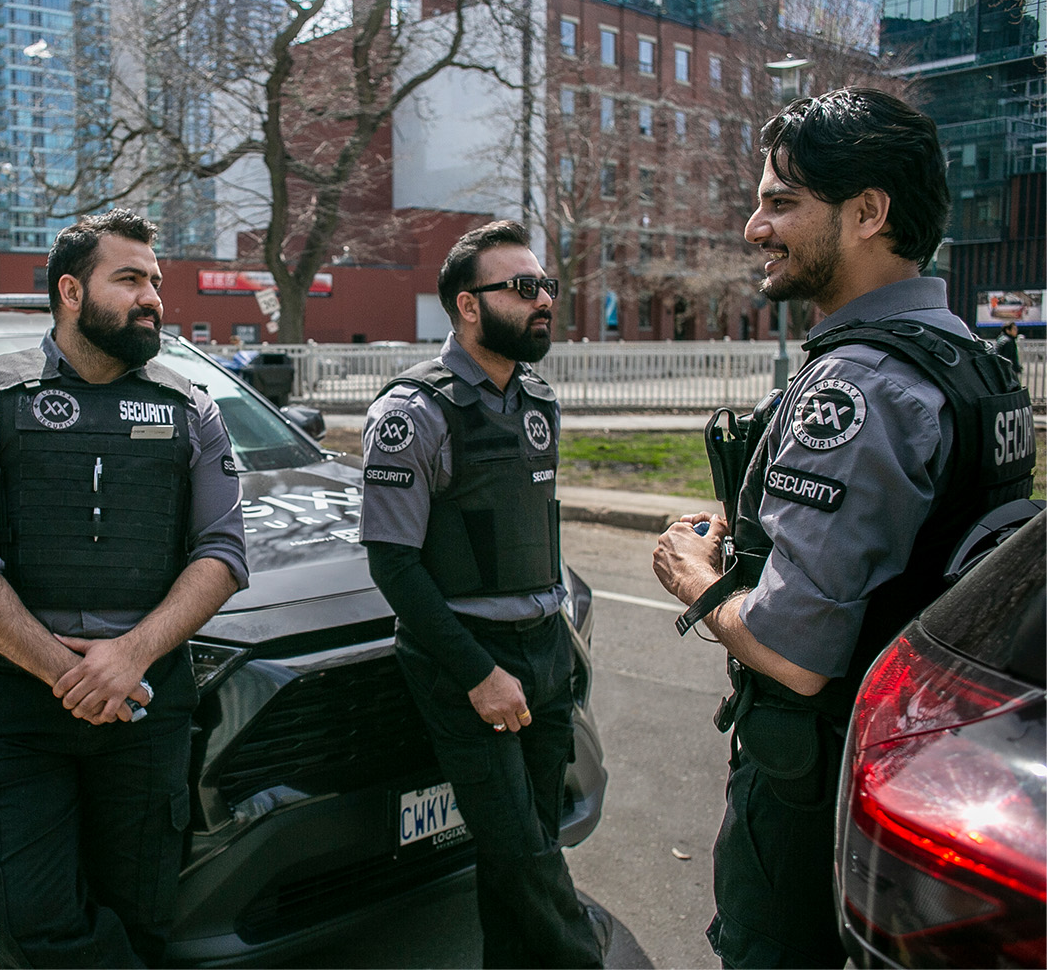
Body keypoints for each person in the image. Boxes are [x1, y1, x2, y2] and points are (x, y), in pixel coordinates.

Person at [652, 88, 1035, 968]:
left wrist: (699, 583)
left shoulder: (854, 389)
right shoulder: (971, 360)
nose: (754, 227)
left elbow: (797, 651)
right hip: (924, 775)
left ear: (869, 213)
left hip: (816, 797)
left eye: (781, 201)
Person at [0, 209, 248, 967]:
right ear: (72, 291)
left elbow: (224, 552)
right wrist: (65, 670)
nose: (153, 296)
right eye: (131, 279)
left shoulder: (191, 407)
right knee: (33, 920)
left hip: (145, 705)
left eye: (156, 280)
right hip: (17, 708)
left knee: (144, 911)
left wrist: (130, 657)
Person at [359, 220, 611, 969]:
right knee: (529, 854)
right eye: (524, 287)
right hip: (468, 664)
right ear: (469, 306)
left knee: (521, 851)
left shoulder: (537, 401)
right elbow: (393, 565)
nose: (543, 301)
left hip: (543, 655)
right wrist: (479, 674)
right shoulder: (412, 415)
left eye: (547, 287)